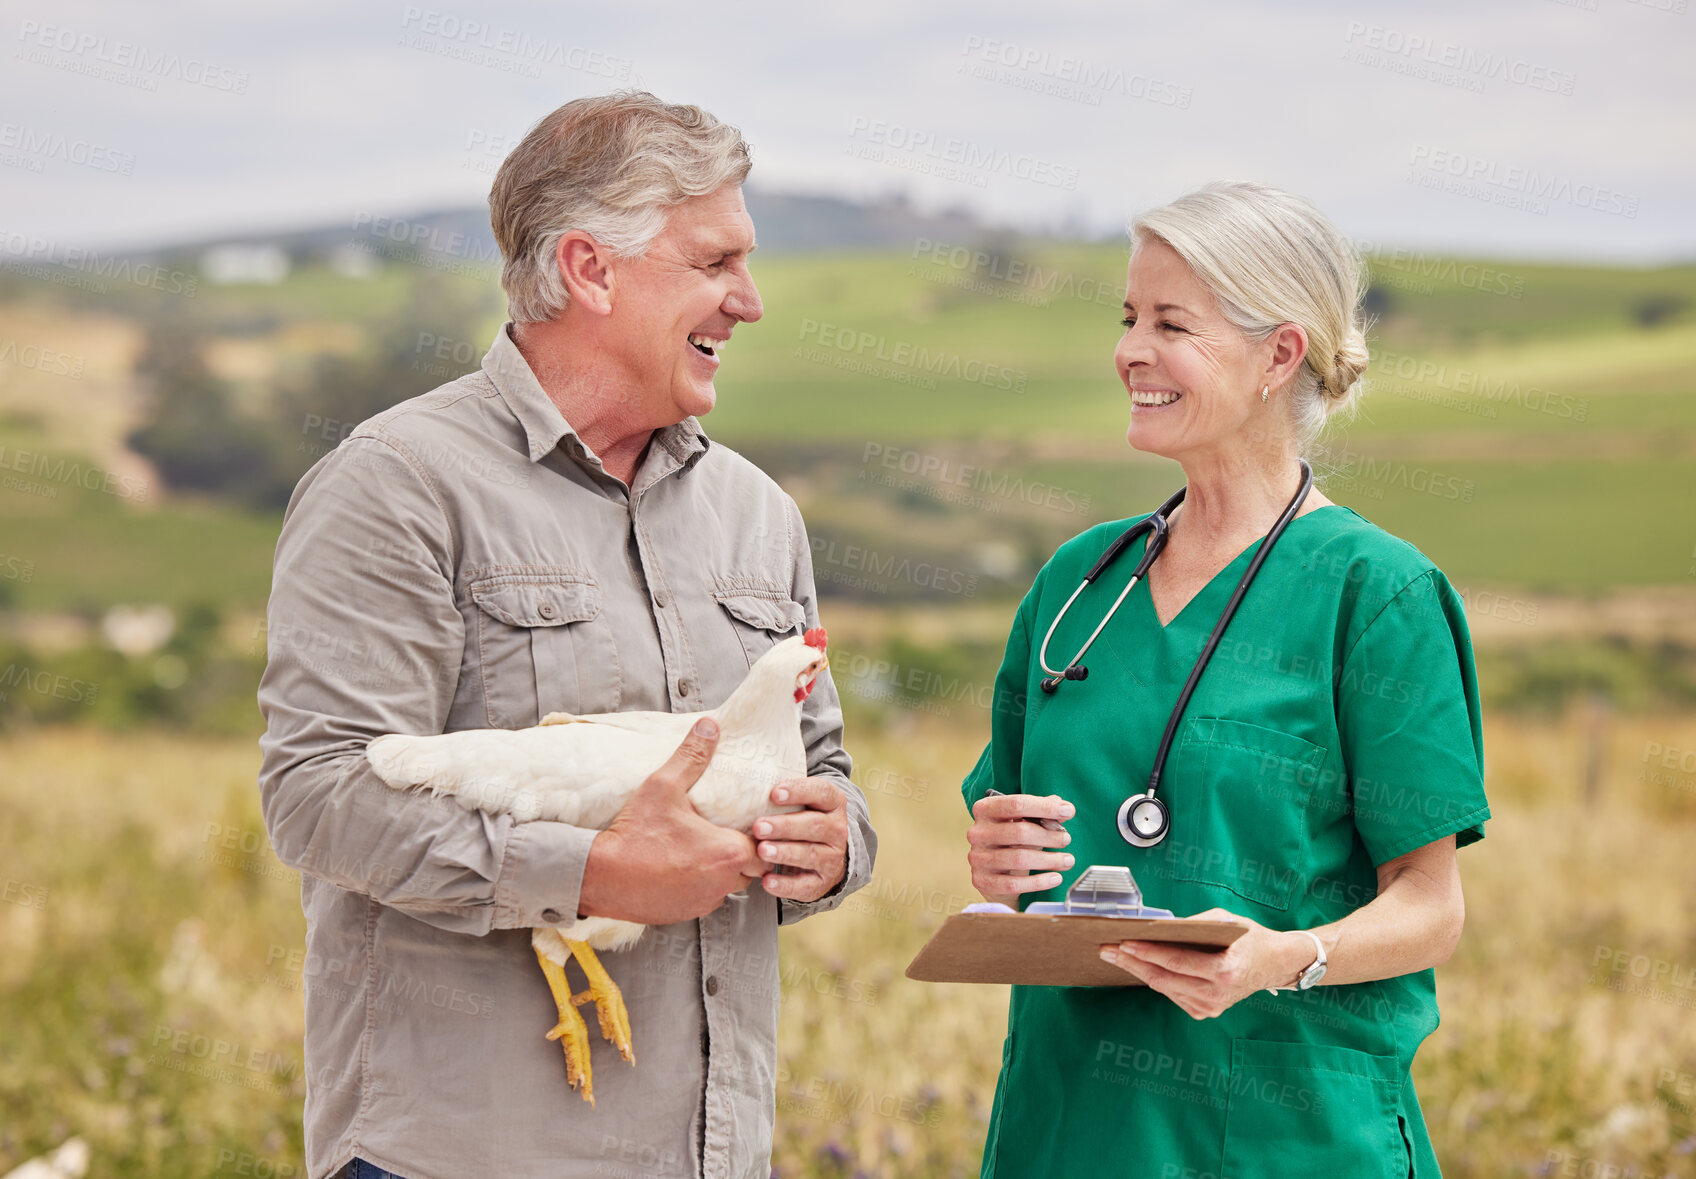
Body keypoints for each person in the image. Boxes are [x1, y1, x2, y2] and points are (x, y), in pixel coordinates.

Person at [258, 92, 876, 1179]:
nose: (752, 301)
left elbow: (825, 773)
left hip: (712, 1154)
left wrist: (829, 845)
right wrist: (592, 872)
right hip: (458, 1155)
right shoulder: (396, 487)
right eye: (715, 262)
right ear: (590, 270)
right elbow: (318, 797)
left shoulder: (757, 514)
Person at [962, 181, 1489, 1178]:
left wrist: (1281, 958)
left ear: (1277, 355)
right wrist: (998, 859)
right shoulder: (1080, 585)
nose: (1130, 350)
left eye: (1172, 324)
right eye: (1127, 319)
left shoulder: (1374, 595)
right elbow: (1013, 859)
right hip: (1069, 1125)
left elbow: (1430, 906)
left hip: (1283, 1134)